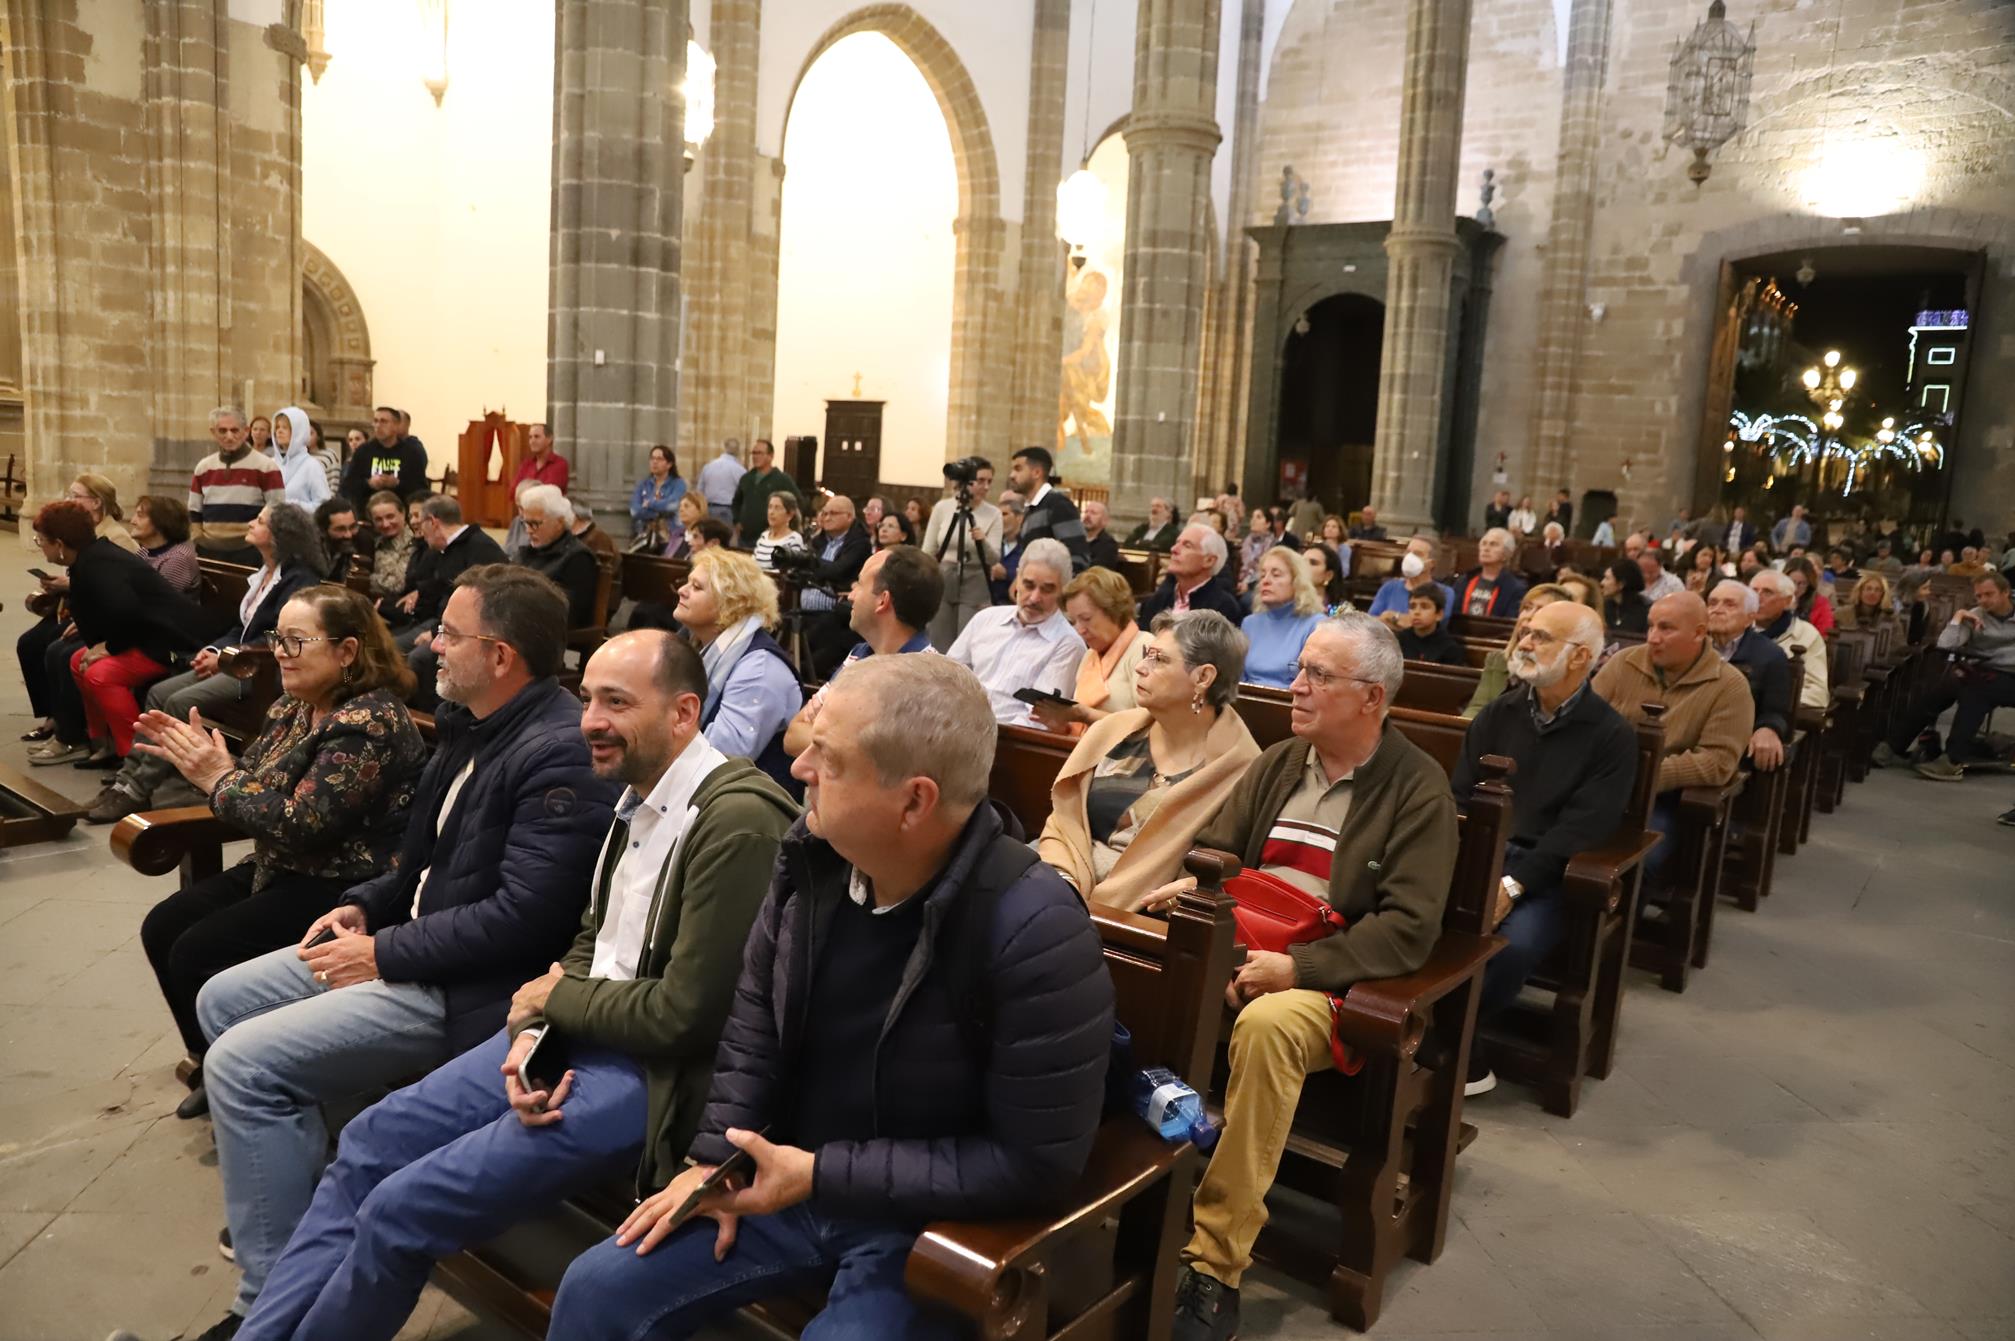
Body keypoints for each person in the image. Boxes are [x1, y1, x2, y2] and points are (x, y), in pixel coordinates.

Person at [222, 632, 796, 1341]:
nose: (590, 719)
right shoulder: (637, 795)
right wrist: (533, 1034)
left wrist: (547, 1002)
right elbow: (594, 936)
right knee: (368, 1140)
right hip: (577, 1031)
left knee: (400, 1208)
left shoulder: (735, 819)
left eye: (617, 701)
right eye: (587, 698)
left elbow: (686, 1016)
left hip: (651, 1078)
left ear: (683, 712)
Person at [544, 654, 1114, 1340]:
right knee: (597, 1288)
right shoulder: (813, 857)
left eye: (828, 757)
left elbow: (1034, 1162)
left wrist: (820, 1171)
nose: (801, 768)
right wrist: (715, 1160)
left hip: (925, 1221)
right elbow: (753, 1022)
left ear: (914, 800)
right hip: (784, 1175)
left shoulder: (1034, 927)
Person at [161, 566, 617, 1341]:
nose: (431, 642)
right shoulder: (468, 720)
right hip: (407, 938)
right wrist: (365, 903)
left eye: (450, 632)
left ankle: (268, 1293)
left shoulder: (553, 751)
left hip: (463, 985)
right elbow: (421, 862)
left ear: (500, 654)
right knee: (221, 999)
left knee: (241, 1064)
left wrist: (384, 949)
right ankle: (304, 1209)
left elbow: (524, 916)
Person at [1151, 613, 1457, 1341]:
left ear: (1372, 696)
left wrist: (1295, 969)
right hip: (1248, 949)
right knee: (1122, 967)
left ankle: (1213, 1261)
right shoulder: (1282, 761)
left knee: (1265, 1025)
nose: (1295, 684)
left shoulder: (1416, 789)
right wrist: (1214, 929)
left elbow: (1409, 927)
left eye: (1319, 674)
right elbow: (1218, 853)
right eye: (1301, 669)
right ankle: (1130, 1196)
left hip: (1334, 982)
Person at [138, 586, 428, 1122]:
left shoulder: (370, 723)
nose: (279, 653)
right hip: (283, 867)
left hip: (344, 886)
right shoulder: (296, 706)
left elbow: (301, 823)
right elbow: (260, 785)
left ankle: (245, 1074)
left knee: (196, 950)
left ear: (346, 651)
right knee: (163, 926)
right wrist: (221, 770)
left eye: (295, 641)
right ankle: (212, 1062)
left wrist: (219, 780)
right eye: (278, 638)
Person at [1455, 601, 1632, 1095]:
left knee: (1513, 947)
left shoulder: (1611, 736)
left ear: (1579, 657)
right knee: (1413, 918)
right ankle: (1454, 1045)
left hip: (1548, 876)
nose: (1525, 643)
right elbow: (1460, 793)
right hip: (1479, 854)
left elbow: (1582, 829)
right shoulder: (1499, 712)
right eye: (1525, 632)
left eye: (1540, 637)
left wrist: (1514, 884)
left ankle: (1445, 1040)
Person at [83, 505, 326, 814]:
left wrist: (227, 656)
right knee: (159, 692)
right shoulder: (265, 571)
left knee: (181, 702)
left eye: (260, 521)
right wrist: (214, 651)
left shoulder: (298, 580)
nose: (250, 522)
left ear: (279, 536)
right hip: (234, 661)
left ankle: (136, 788)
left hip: (258, 671)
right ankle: (126, 780)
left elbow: (281, 637)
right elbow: (243, 627)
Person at [1038, 610, 1259, 909]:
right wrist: (1065, 882)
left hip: (1151, 920)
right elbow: (1063, 823)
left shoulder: (1241, 768)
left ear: (1203, 677)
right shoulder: (1112, 733)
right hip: (1062, 886)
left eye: (1159, 659)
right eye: (1146, 655)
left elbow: (1230, 869)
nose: (1141, 668)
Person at [22, 502, 222, 773]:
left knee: (100, 674)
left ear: (59, 543)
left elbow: (128, 612)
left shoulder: (98, 564)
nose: (39, 545)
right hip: (143, 636)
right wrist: (98, 645)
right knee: (76, 660)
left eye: (41, 541)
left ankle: (133, 756)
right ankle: (104, 743)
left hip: (170, 643)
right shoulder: (88, 559)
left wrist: (108, 647)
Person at [1591, 592, 1753, 895]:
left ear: (1699, 633)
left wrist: (1644, 774)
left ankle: (1616, 936)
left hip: (1664, 800)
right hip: (1599, 785)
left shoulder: (1729, 686)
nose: (1653, 637)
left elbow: (1718, 762)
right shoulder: (1622, 663)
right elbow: (1582, 724)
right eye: (1650, 626)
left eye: (1666, 628)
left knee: (1638, 862)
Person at [782, 545, 944, 757]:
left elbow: (879, 764)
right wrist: (846, 742)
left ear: (882, 601)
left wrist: (823, 728)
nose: (850, 595)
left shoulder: (927, 681)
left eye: (859, 584)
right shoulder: (861, 653)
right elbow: (793, 735)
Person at [674, 547, 804, 792]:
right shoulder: (703, 647)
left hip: (750, 807)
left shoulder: (760, 668)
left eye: (697, 587)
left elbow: (724, 757)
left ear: (731, 604)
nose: (682, 590)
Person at [1874, 571, 2015, 780]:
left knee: (1975, 691)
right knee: (1941, 687)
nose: (1983, 600)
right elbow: (1945, 646)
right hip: (1980, 673)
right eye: (1979, 596)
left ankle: (1952, 760)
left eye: (1989, 594)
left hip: (2010, 677)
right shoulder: (1976, 614)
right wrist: (1958, 617)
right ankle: (1894, 745)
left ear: (2005, 593)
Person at [946, 537, 1086, 725]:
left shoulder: (1067, 644)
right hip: (955, 727)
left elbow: (1037, 720)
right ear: (1017, 578)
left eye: (1047, 589)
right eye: (1028, 585)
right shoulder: (985, 619)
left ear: (1063, 590)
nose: (1035, 598)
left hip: (1010, 743)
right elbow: (946, 678)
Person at [1028, 566, 1153, 733]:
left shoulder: (1145, 648)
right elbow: (1080, 728)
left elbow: (1149, 723)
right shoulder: (1089, 656)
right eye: (1073, 622)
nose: (1079, 630)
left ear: (1113, 610)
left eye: (1086, 619)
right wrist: (1062, 726)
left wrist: (1084, 714)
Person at [388, 495, 507, 649]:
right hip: (436, 622)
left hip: (464, 629)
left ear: (432, 522)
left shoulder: (480, 547)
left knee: (400, 652)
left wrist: (435, 632)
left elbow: (480, 601)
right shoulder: (443, 550)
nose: (421, 532)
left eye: (421, 522)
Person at [1705, 580, 1794, 774]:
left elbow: (1775, 711)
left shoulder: (1770, 655)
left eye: (1729, 604)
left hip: (1733, 742)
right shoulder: (1691, 645)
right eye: (1712, 603)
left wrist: (1768, 729)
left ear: (1749, 618)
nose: (1717, 610)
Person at [920, 457, 1004, 648]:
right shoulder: (943, 508)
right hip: (944, 577)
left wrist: (982, 541)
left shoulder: (993, 514)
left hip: (975, 580)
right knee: (939, 639)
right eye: (981, 480)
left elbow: (994, 558)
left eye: (989, 481)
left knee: (968, 642)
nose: (986, 487)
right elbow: (928, 550)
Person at [191, 406, 288, 564]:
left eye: (235, 430)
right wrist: (198, 538)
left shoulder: (265, 466)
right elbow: (194, 509)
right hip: (209, 549)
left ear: (246, 431)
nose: (229, 436)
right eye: (222, 431)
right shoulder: (204, 467)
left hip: (249, 550)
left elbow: (277, 507)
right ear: (213, 432)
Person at [1462, 583, 1572, 717]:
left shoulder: (1558, 671)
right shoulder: (1498, 659)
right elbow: (1478, 707)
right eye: (1527, 608)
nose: (1529, 616)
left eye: (1540, 610)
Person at [794, 494, 873, 677]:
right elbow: (800, 573)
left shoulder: (859, 543)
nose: (827, 518)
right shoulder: (817, 541)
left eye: (833, 513)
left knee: (808, 663)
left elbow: (838, 570)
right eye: (824, 513)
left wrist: (813, 566)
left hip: (834, 617)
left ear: (849, 517)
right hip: (805, 612)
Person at [509, 484, 600, 628]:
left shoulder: (578, 558)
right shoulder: (526, 553)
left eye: (535, 524)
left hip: (553, 638)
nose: (528, 531)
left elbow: (568, 615)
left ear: (559, 522)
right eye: (525, 523)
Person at [1241, 546, 1326, 687]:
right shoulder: (1249, 623)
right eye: (1262, 575)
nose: (1265, 581)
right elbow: (1239, 678)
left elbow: (1315, 685)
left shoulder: (1316, 625)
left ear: (1297, 582)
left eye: (1276, 574)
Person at [1750, 569, 1829, 712]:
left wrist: (1767, 699)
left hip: (1782, 717)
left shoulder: (1806, 634)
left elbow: (1818, 694)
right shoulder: (1737, 628)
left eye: (1767, 592)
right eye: (1753, 591)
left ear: (1787, 601)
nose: (1757, 598)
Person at [1140, 522, 1246, 624]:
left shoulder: (1223, 608)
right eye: (1177, 543)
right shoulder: (1157, 600)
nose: (1174, 549)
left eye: (1187, 545)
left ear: (1209, 560)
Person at [1008, 445, 1090, 571]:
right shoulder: (1031, 509)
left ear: (1036, 473)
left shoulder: (1058, 505)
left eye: (1018, 469)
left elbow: (1077, 557)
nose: (1012, 475)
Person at [339, 406, 428, 510]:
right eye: (375, 421)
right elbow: (347, 487)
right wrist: (369, 483)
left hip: (402, 511)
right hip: (367, 511)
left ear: (396, 425)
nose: (378, 425)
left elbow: (421, 489)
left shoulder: (411, 453)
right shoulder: (363, 451)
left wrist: (397, 483)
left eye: (383, 421)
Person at [1368, 535, 1455, 625]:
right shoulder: (1390, 587)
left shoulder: (1445, 592)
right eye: (1408, 552)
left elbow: (1432, 625)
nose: (1409, 557)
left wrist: (1393, 617)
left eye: (1417, 554)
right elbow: (1371, 622)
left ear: (1431, 563)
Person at [729, 438, 795, 547]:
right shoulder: (746, 478)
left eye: (759, 453)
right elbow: (736, 501)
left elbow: (796, 503)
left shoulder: (782, 479)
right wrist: (737, 521)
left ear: (770, 456)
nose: (755, 456)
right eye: (753, 453)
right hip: (745, 537)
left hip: (770, 537)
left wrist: (783, 525)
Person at [133, 494, 202, 595]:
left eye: (140, 516)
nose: (132, 521)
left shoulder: (178, 559)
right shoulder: (144, 552)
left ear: (161, 522)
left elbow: (157, 601)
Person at [362, 490, 416, 616]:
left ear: (403, 513)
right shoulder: (374, 544)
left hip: (402, 611)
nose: (385, 524)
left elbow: (397, 585)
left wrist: (366, 580)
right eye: (378, 519)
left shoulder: (416, 543)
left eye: (390, 517)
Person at [1455, 527, 1529, 618]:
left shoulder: (1515, 588)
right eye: (1484, 543)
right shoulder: (1464, 581)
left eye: (1493, 544)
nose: (1486, 548)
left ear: (1506, 554)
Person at [269, 406, 331, 512]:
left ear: (298, 432)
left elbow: (323, 506)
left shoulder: (312, 466)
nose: (279, 431)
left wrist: (291, 506)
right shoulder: (271, 464)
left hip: (301, 526)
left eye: (285, 427)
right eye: (277, 427)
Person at [629, 443, 687, 549]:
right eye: (652, 458)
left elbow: (672, 506)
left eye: (659, 459)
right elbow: (635, 511)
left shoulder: (678, 484)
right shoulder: (643, 484)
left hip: (669, 536)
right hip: (644, 536)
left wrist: (649, 503)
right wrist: (659, 513)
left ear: (669, 464)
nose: (654, 462)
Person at [1397, 582, 1469, 667]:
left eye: (1424, 607)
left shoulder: (1450, 648)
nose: (1416, 612)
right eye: (1412, 607)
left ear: (1439, 615)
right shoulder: (1399, 640)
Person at [750, 489, 809, 572]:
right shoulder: (764, 536)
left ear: (790, 515)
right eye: (770, 507)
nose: (771, 512)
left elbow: (790, 571)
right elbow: (753, 563)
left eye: (777, 508)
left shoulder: (794, 538)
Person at [696, 438, 746, 529]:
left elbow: (699, 491)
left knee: (709, 539)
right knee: (725, 540)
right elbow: (744, 494)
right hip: (729, 511)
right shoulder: (740, 470)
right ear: (738, 451)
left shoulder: (708, 466)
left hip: (709, 509)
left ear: (724, 448)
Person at [1783, 555, 1836, 636]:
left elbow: (1823, 633)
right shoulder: (1774, 599)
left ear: (1809, 584)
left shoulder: (1820, 603)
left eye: (1802, 583)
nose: (1796, 588)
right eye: (1791, 581)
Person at [512, 421, 569, 493]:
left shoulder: (559, 464)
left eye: (536, 437)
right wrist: (537, 486)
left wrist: (524, 487)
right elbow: (513, 490)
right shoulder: (526, 464)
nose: (532, 441)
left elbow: (547, 493)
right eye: (530, 437)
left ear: (549, 439)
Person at [991, 491, 1027, 604]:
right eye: (997, 515)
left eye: (1004, 514)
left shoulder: (1027, 546)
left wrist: (1007, 574)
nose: (999, 519)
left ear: (1019, 518)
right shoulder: (992, 545)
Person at [1234, 507, 1275, 605]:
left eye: (1259, 517)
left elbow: (1264, 571)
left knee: (1246, 601)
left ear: (1268, 524)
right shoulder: (1246, 542)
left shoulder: (1273, 545)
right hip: (1241, 582)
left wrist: (1248, 584)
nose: (1253, 520)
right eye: (1252, 517)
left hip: (1258, 584)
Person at [313, 498, 361, 576]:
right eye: (340, 529)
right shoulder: (312, 558)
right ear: (322, 531)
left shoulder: (364, 543)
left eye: (352, 527)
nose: (348, 535)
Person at [1599, 558, 1648, 635]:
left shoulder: (1646, 610)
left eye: (1607, 578)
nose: (1602, 583)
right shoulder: (1606, 606)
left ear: (1621, 584)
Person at [1302, 543, 1349, 611]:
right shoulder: (1287, 601)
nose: (1304, 566)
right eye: (1301, 561)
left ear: (1328, 575)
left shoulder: (1340, 610)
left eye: (1313, 563)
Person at [1081, 498, 1123, 569]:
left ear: (1105, 520)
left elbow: (1097, 571)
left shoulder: (1108, 544)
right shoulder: (1076, 539)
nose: (1087, 515)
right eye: (1086, 512)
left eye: (1093, 513)